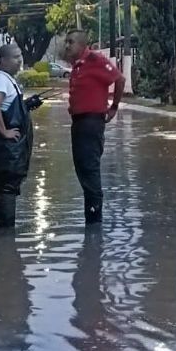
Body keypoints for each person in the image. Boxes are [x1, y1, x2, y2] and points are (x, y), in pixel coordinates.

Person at [64, 30, 125, 225]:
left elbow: (119, 79)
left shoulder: (94, 59)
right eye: (66, 42)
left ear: (82, 45)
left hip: (91, 123)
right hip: (79, 123)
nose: (67, 46)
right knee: (82, 169)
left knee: (90, 170)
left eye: (70, 42)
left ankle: (94, 223)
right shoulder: (77, 66)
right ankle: (91, 221)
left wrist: (114, 107)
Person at [0, 44, 45, 228]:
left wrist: (25, 106)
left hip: (11, 151)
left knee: (7, 189)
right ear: (3, 61)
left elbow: (7, 109)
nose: (20, 60)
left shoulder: (7, 80)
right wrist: (5, 131)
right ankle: (5, 238)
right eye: (15, 57)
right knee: (6, 190)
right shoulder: (0, 80)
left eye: (20, 56)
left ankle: (4, 240)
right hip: (6, 151)